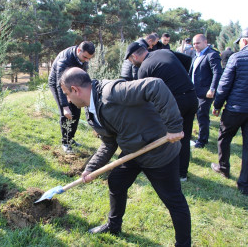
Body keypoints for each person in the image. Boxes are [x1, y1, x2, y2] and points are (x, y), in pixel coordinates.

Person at [60, 67, 191, 246]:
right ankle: (113, 226)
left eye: (67, 94)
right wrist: (91, 168)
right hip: (133, 151)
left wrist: (174, 126)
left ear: (75, 89)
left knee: (173, 200)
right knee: (116, 181)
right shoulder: (91, 111)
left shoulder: (112, 92)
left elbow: (155, 85)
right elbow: (109, 143)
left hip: (158, 151)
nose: (67, 99)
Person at [126, 42, 198, 181]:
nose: (132, 63)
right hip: (191, 96)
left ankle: (165, 172)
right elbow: (188, 60)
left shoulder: (144, 69)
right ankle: (181, 174)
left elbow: (143, 98)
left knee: (166, 137)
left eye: (130, 60)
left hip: (176, 102)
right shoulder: (164, 52)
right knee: (184, 135)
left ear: (134, 56)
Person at [211, 28, 248, 195]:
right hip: (239, 107)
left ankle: (223, 167)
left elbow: (224, 84)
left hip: (235, 108)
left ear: (244, 41)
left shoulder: (237, 57)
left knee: (224, 138)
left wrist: (217, 105)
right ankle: (244, 184)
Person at [48, 41, 95, 154]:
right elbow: (60, 85)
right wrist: (65, 105)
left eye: (89, 58)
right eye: (85, 57)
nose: (86, 60)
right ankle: (65, 142)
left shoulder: (83, 59)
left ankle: (71, 139)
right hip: (58, 83)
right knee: (67, 113)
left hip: (73, 83)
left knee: (76, 111)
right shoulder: (64, 60)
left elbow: (82, 77)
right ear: (79, 50)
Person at [189, 34, 223, 148]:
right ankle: (190, 135)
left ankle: (202, 141)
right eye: (194, 43)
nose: (195, 45)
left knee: (202, 115)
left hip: (205, 92)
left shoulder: (212, 54)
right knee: (191, 113)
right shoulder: (196, 55)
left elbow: (217, 73)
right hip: (194, 91)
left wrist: (212, 89)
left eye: (197, 43)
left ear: (205, 42)